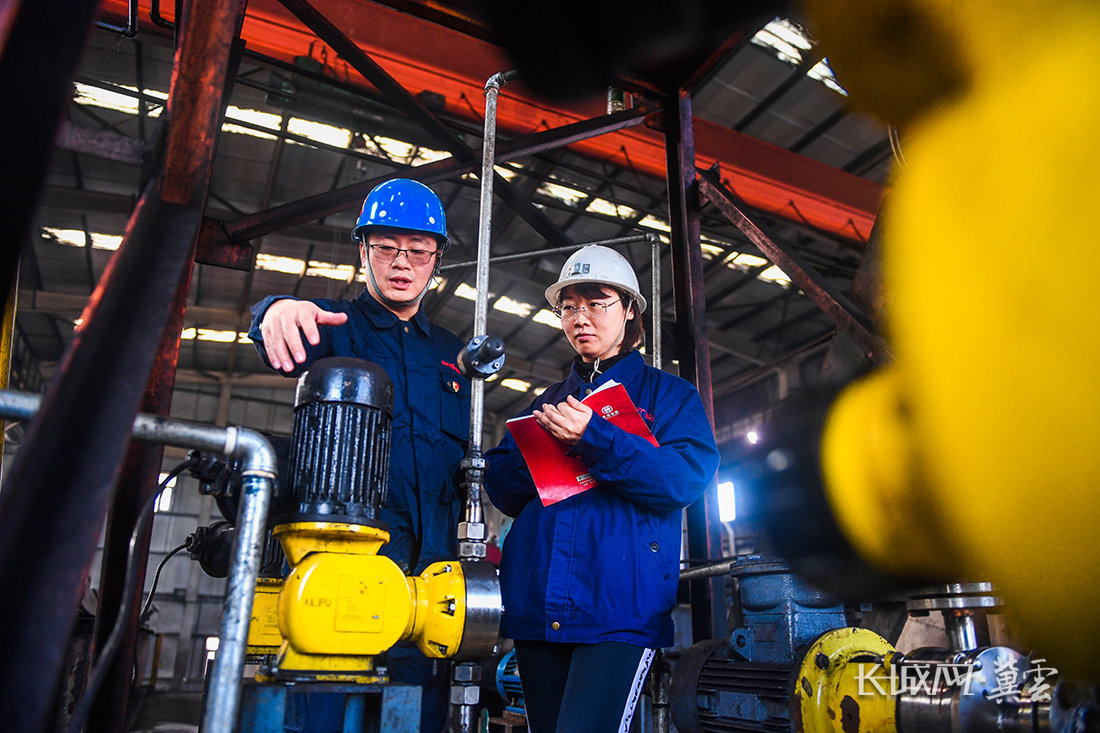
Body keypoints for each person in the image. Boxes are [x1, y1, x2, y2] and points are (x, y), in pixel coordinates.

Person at [248, 178, 469, 733]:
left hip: (429, 580)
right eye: (386, 247)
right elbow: (279, 329)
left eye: (418, 250)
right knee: (320, 715)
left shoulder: (453, 355)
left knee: (414, 720)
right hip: (339, 576)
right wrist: (275, 310)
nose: (402, 262)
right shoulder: (331, 325)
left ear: (437, 259)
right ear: (363, 251)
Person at [484, 245, 720, 733]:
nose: (581, 318)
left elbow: (683, 480)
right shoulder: (547, 404)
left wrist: (595, 438)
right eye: (569, 307)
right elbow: (503, 490)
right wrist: (545, 448)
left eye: (596, 303)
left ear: (630, 309)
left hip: (618, 610)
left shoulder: (669, 397)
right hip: (539, 608)